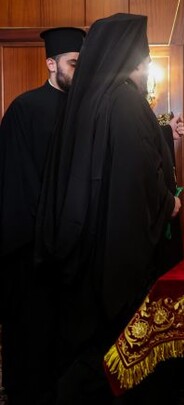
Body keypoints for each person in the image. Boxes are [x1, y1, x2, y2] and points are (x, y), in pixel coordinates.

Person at [34, 14, 184, 404]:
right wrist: (168, 202)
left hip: (86, 248)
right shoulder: (126, 102)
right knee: (116, 353)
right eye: (145, 59)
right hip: (117, 256)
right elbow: (136, 180)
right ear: (133, 59)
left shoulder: (90, 98)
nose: (146, 67)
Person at [0, 26, 84, 405]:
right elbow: (15, 181)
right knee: (32, 339)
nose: (79, 71)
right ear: (51, 63)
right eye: (73, 63)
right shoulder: (25, 108)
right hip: (32, 249)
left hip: (75, 247)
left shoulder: (87, 109)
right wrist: (44, 233)